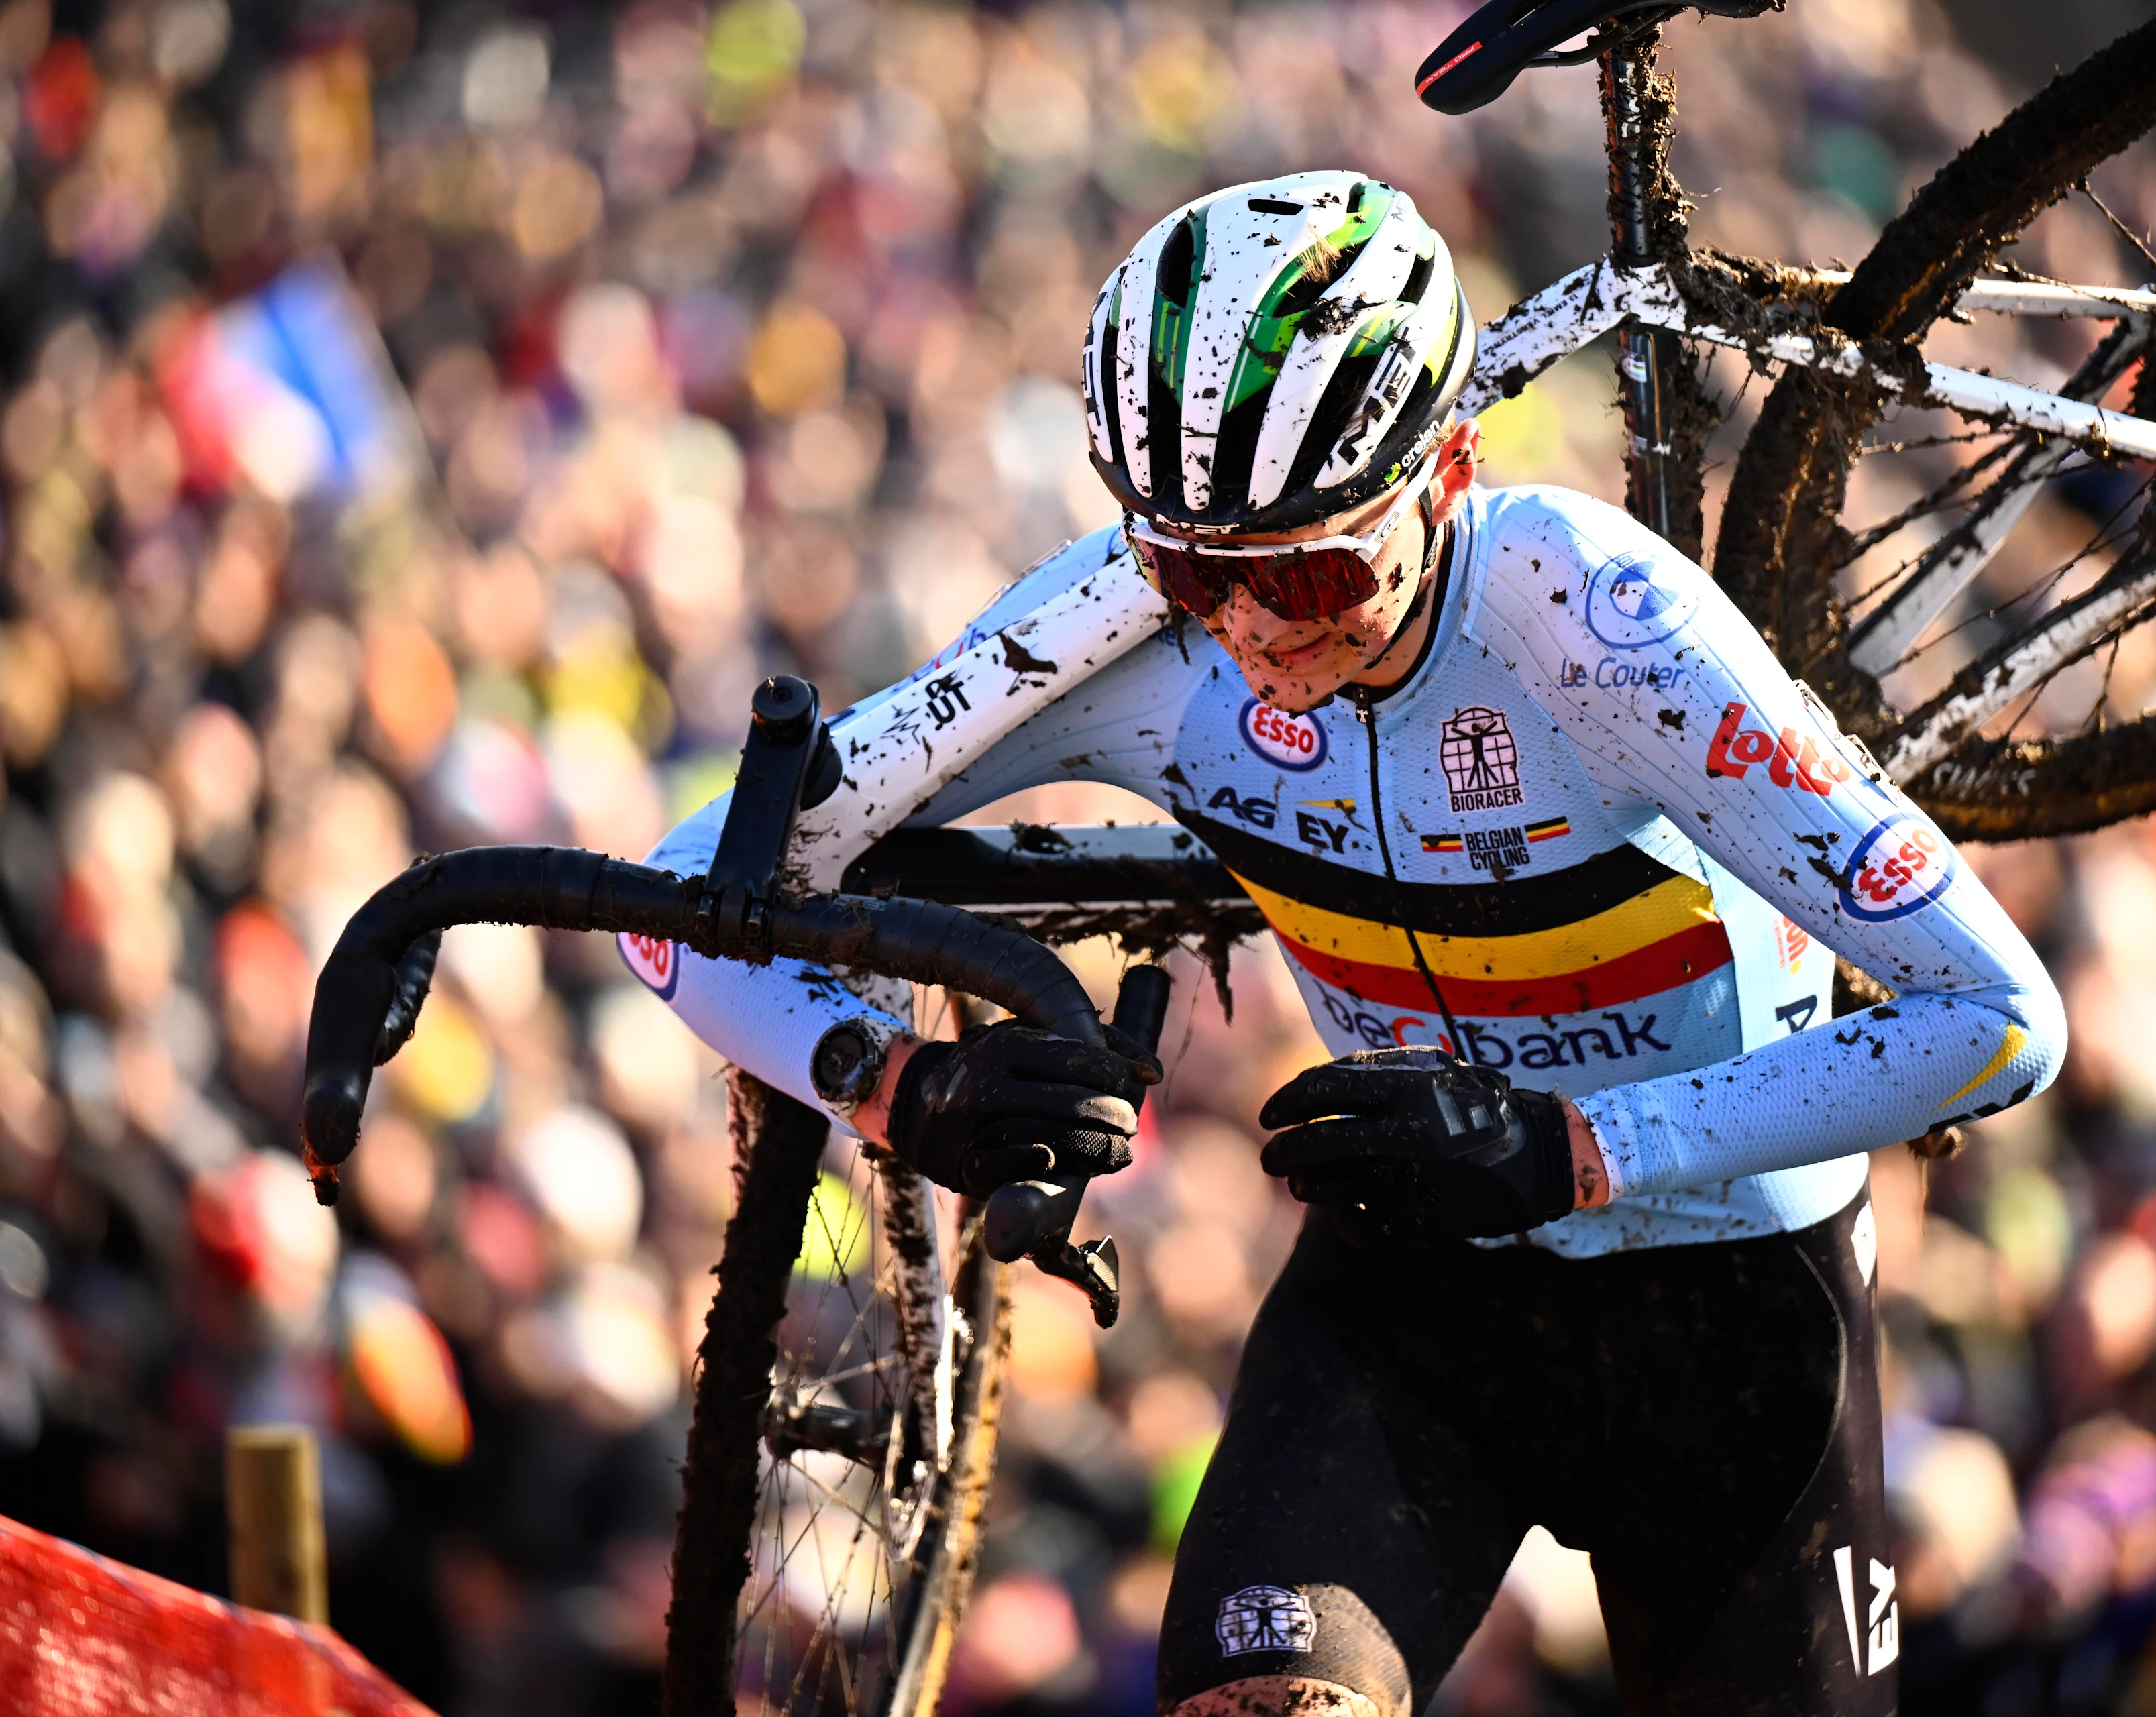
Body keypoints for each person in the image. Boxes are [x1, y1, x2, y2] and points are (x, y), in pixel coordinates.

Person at [641, 171, 2065, 1716]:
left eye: (1310, 572)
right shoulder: (1112, 625)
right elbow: (672, 901)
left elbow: (1999, 1016)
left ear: (1450, 467)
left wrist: (1586, 1146)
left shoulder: (1597, 619)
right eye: (1194, 573)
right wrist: (901, 1087)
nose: (1250, 629)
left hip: (1733, 1306)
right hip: (1418, 1285)